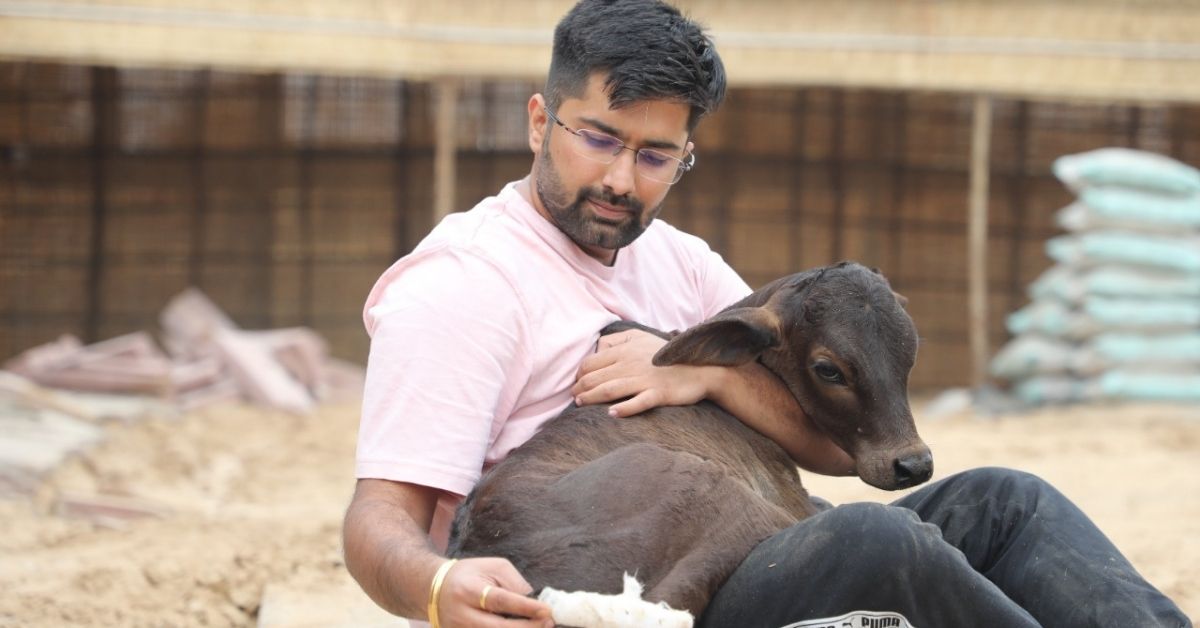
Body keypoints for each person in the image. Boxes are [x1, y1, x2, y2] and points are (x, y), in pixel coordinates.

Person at [343, 1, 1193, 627]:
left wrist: (702, 373)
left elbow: (836, 446)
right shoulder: (465, 284)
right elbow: (380, 518)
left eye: (653, 155)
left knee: (1009, 503)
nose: (619, 178)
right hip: (623, 592)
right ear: (540, 122)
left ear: (684, 155)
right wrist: (431, 588)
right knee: (875, 545)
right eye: (597, 138)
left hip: (766, 547)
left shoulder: (682, 264)